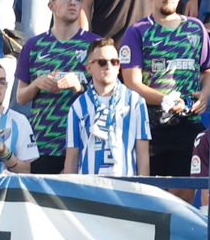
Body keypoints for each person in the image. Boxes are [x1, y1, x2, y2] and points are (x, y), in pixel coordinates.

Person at [118, 0, 210, 175]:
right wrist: (167, 100)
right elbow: (132, 82)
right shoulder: (138, 30)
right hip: (151, 123)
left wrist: (205, 95)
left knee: (187, 188)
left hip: (189, 122)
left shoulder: (195, 27)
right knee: (153, 193)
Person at [15, 0, 97, 173]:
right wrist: (37, 84)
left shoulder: (95, 45)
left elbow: (109, 94)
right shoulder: (33, 45)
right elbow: (20, 97)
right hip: (44, 143)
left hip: (84, 142)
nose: (73, 3)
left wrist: (79, 86)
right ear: (52, 5)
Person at [63, 38, 153, 177]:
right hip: (89, 189)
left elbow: (142, 155)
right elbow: (72, 157)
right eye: (102, 62)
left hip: (126, 189)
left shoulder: (136, 102)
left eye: (114, 62)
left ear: (119, 67)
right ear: (89, 67)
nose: (109, 66)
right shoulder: (78, 106)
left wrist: (142, 192)